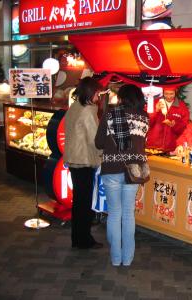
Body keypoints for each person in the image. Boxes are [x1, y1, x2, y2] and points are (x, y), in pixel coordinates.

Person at [95, 84, 149, 266]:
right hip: (134, 170)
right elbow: (140, 143)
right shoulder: (144, 117)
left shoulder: (111, 114)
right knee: (128, 214)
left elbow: (98, 143)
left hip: (112, 168)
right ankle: (128, 259)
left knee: (115, 214)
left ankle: (116, 258)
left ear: (121, 97)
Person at [63, 76, 103, 249]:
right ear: (91, 92)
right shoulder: (89, 110)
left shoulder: (75, 106)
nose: (99, 96)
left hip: (74, 158)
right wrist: (104, 153)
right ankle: (84, 239)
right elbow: (96, 140)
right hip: (84, 160)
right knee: (84, 202)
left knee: (79, 201)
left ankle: (77, 238)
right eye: (98, 93)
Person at [146, 87, 190, 152]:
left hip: (171, 148)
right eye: (166, 94)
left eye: (171, 94)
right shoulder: (154, 103)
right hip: (153, 147)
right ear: (163, 92)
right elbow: (146, 122)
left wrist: (174, 125)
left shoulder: (182, 107)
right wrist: (156, 110)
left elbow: (185, 128)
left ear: (176, 91)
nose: (169, 96)